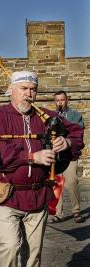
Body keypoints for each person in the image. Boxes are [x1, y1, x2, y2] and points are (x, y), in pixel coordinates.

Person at [0, 71, 84, 267]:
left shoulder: (46, 117)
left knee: (35, 252)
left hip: (38, 194)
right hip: (7, 194)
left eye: (33, 89)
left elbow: (77, 132)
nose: (29, 94)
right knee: (8, 248)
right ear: (11, 89)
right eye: (24, 88)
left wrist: (66, 142)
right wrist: (33, 156)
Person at [52, 90, 85, 223]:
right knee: (56, 183)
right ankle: (58, 213)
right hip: (56, 156)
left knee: (71, 182)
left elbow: (78, 131)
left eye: (62, 100)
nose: (60, 102)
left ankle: (76, 211)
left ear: (67, 100)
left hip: (70, 155)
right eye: (57, 100)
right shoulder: (52, 115)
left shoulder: (75, 115)